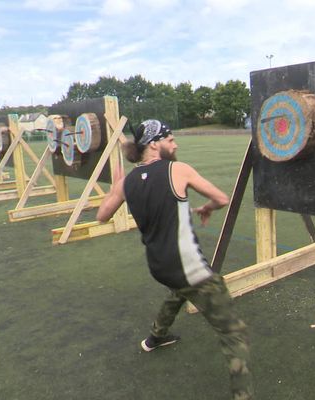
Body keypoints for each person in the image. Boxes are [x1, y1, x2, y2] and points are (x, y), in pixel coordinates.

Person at [96, 119, 253, 400]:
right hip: (188, 268)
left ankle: (155, 337)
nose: (175, 144)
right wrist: (206, 208)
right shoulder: (177, 170)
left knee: (178, 291)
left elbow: (102, 216)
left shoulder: (127, 182)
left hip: (159, 267)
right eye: (170, 139)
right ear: (155, 144)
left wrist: (115, 187)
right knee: (234, 332)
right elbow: (221, 198)